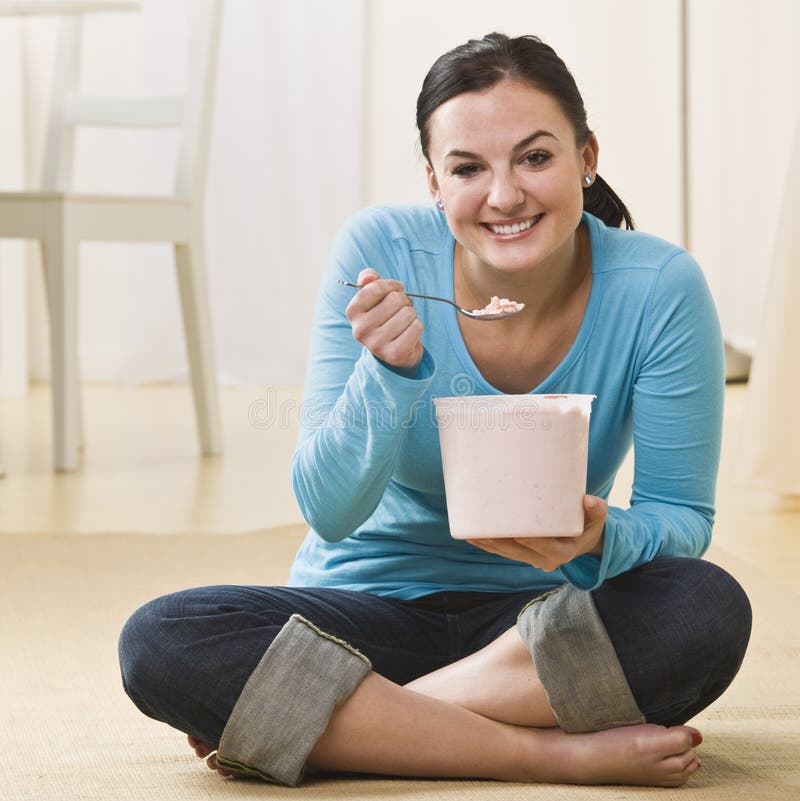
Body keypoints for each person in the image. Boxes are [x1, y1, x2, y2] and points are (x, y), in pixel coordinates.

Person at [118, 32, 752, 788]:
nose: (505, 194)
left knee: (705, 609)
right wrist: (390, 373)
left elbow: (680, 516)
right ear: (433, 182)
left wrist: (599, 535)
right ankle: (541, 753)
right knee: (159, 638)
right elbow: (327, 509)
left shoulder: (660, 287)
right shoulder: (380, 252)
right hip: (359, 622)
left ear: (587, 156)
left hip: (540, 633)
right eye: (468, 168)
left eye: (536, 157)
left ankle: (352, 726)